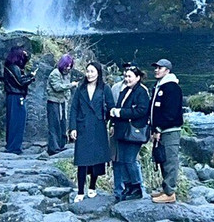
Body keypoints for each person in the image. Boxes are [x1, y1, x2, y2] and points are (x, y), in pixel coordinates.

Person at [68, 62, 115, 202]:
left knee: (96, 159)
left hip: (98, 127)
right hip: (82, 126)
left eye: (92, 71)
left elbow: (111, 107)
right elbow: (73, 109)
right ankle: (80, 191)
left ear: (98, 73)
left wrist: (111, 123)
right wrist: (73, 127)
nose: (89, 74)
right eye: (87, 71)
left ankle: (92, 187)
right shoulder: (80, 89)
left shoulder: (105, 88)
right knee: (82, 159)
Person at [109, 65, 150, 201]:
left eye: (130, 76)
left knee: (130, 160)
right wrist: (114, 121)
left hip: (135, 131)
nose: (127, 79)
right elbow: (118, 107)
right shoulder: (125, 90)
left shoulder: (141, 92)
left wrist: (121, 113)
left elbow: (142, 111)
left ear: (138, 77)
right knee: (122, 160)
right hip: (122, 131)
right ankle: (128, 186)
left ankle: (137, 187)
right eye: (125, 76)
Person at [149, 58, 183, 203]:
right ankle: (165, 189)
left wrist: (159, 128)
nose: (156, 70)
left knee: (170, 160)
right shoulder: (159, 86)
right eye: (156, 67)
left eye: (160, 68)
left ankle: (170, 192)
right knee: (162, 159)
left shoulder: (172, 87)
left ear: (167, 70)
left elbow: (171, 112)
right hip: (160, 130)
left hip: (170, 130)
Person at [3, 46, 35, 154]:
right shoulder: (13, 67)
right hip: (15, 96)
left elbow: (25, 61)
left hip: (14, 95)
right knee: (17, 122)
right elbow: (20, 82)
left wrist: (25, 55)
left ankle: (13, 145)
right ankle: (14, 147)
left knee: (15, 121)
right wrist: (31, 77)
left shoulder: (14, 67)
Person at [46, 55, 75, 155]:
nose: (68, 68)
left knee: (62, 124)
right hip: (53, 102)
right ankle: (53, 148)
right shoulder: (55, 73)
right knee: (54, 125)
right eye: (67, 66)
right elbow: (57, 87)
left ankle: (61, 145)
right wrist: (71, 85)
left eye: (70, 66)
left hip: (62, 102)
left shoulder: (67, 74)